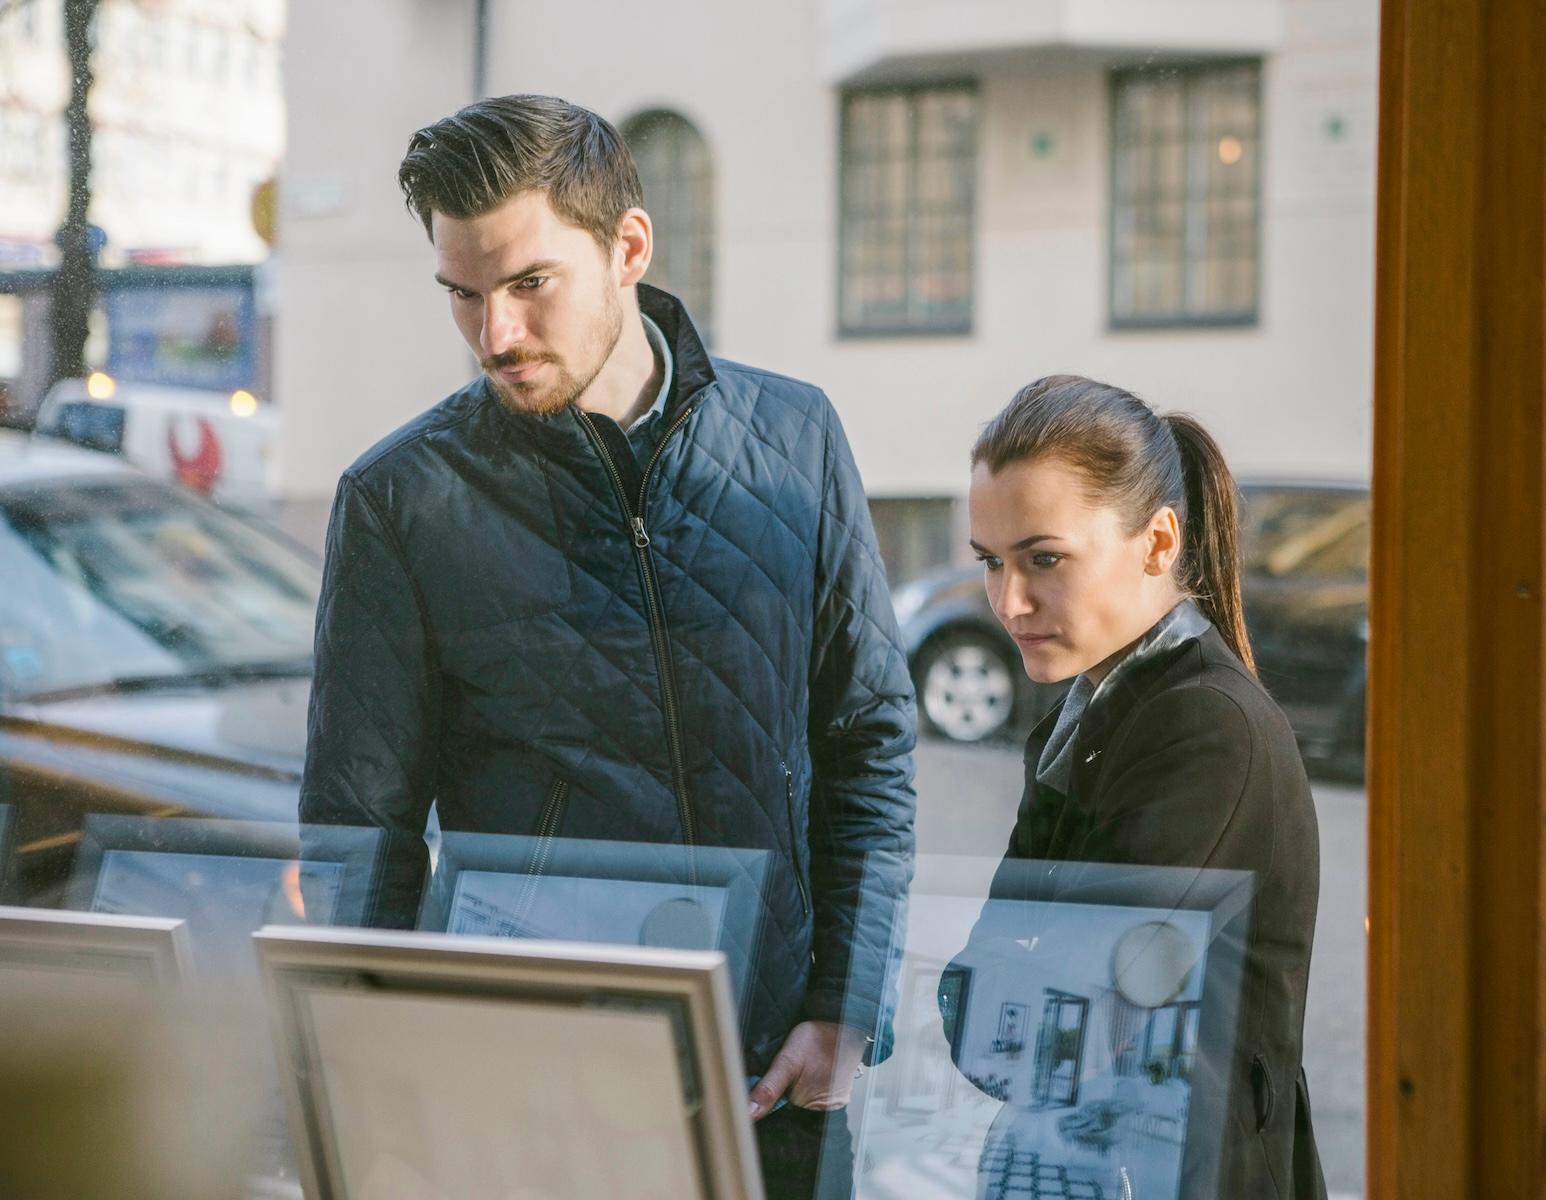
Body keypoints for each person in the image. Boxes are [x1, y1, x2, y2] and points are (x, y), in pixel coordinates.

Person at [298, 94, 917, 1196]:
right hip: (537, 1098)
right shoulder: (402, 503)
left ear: (629, 247)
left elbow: (869, 739)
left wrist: (845, 1010)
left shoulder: (796, 440)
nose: (496, 334)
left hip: (775, 1074)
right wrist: (382, 1093)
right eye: (463, 295)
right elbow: (360, 835)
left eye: (529, 284)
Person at [960, 374, 1325, 1199]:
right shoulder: (1090, 714)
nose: (1009, 602)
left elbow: (1037, 1038)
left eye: (1044, 559)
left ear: (1159, 544)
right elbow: (982, 1016)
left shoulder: (1204, 727)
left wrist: (1003, 997)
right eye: (991, 563)